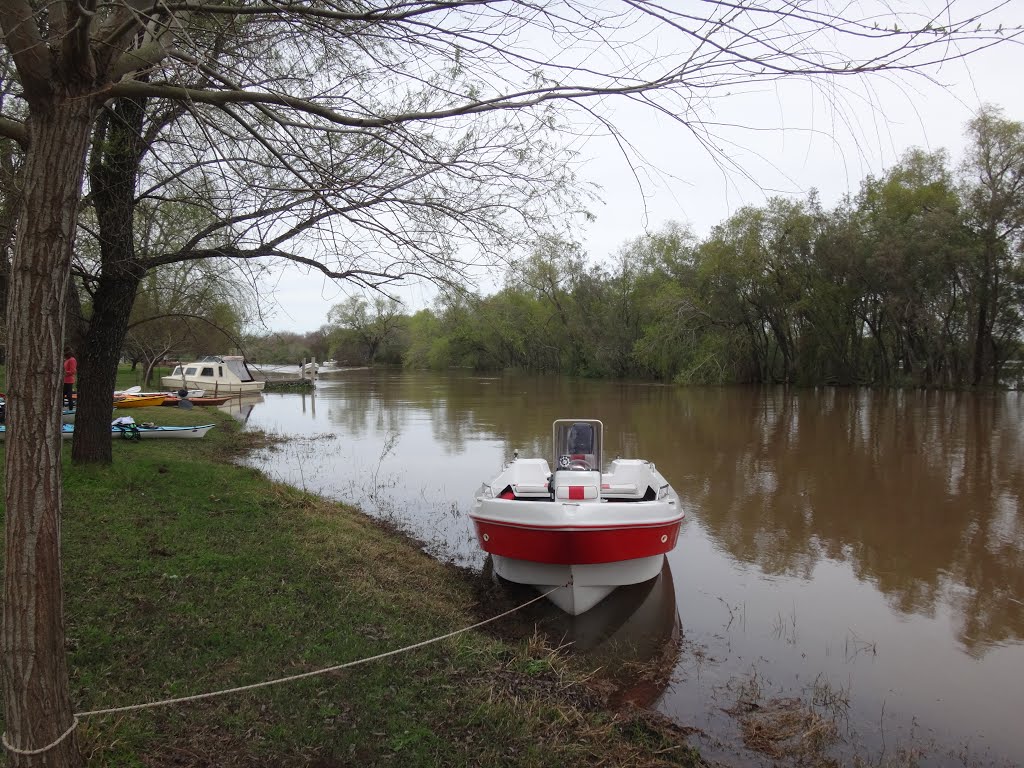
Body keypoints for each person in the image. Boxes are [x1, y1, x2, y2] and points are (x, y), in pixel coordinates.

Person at [63, 347, 77, 411]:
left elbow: (73, 371)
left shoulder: (72, 360)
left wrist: (65, 373)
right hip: (64, 380)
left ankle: (70, 409)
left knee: (69, 395)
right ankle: (62, 407)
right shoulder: (66, 360)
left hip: (69, 380)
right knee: (62, 394)